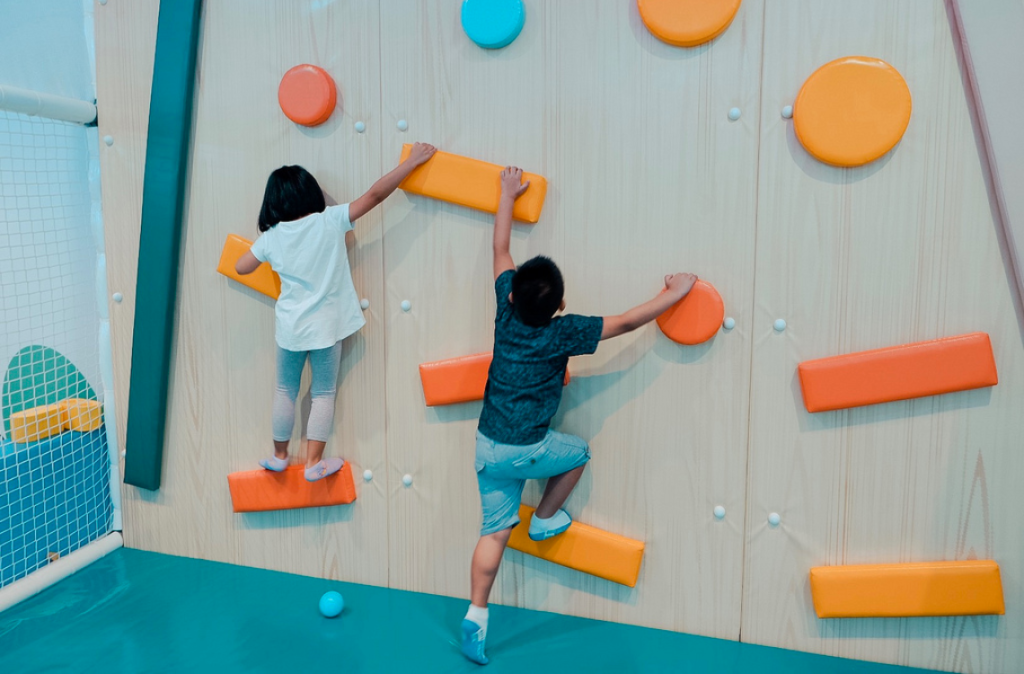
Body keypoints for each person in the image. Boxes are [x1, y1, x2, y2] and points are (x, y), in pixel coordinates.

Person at [461, 166, 697, 665]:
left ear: (510, 295)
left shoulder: (505, 312)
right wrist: (675, 292)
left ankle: (476, 615)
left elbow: (500, 249)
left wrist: (507, 193)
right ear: (562, 305)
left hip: (486, 447)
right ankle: (546, 519)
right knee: (578, 454)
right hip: (528, 451)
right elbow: (629, 320)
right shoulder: (564, 332)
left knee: (493, 532)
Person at [236, 143, 437, 481]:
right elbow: (374, 196)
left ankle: (280, 455)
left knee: (285, 390)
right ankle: (314, 463)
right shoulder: (329, 221)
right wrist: (412, 162)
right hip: (327, 328)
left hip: (290, 329)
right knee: (323, 393)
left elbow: (243, 266)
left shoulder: (272, 238)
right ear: (311, 193)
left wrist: (268, 250)